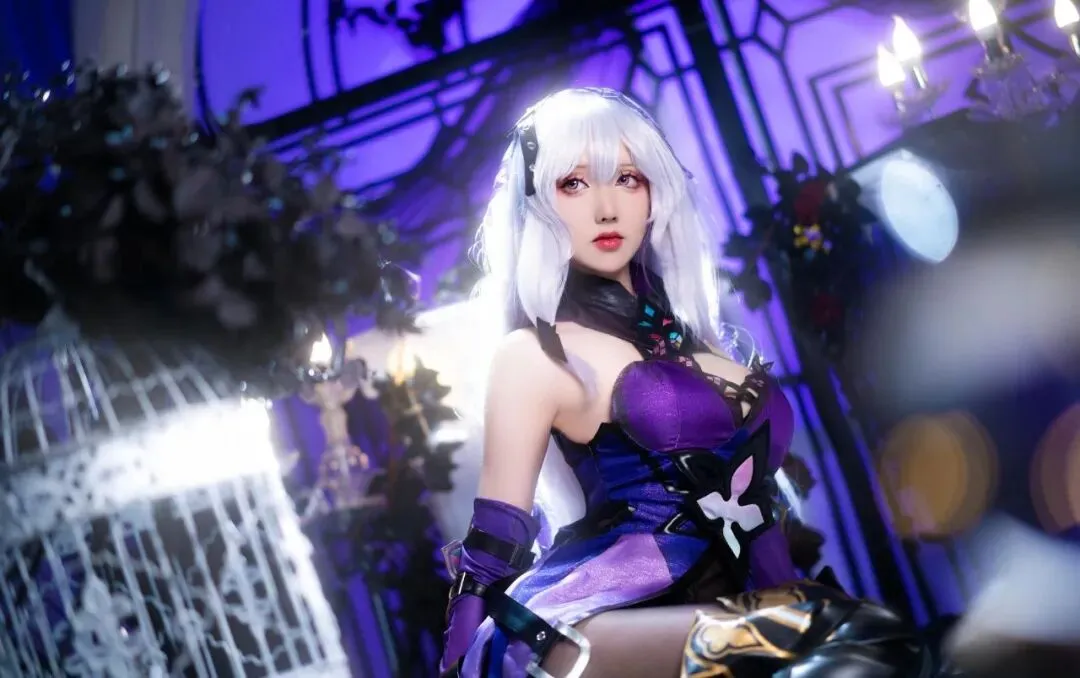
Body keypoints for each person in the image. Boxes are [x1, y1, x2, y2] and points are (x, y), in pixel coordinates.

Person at [439, 88, 926, 678]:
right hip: (606, 612)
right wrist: (457, 665)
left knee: (879, 645)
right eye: (574, 183)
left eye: (627, 179)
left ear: (654, 192)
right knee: (849, 633)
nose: (606, 208)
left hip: (743, 601)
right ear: (537, 202)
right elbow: (493, 544)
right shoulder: (536, 354)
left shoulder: (704, 344)